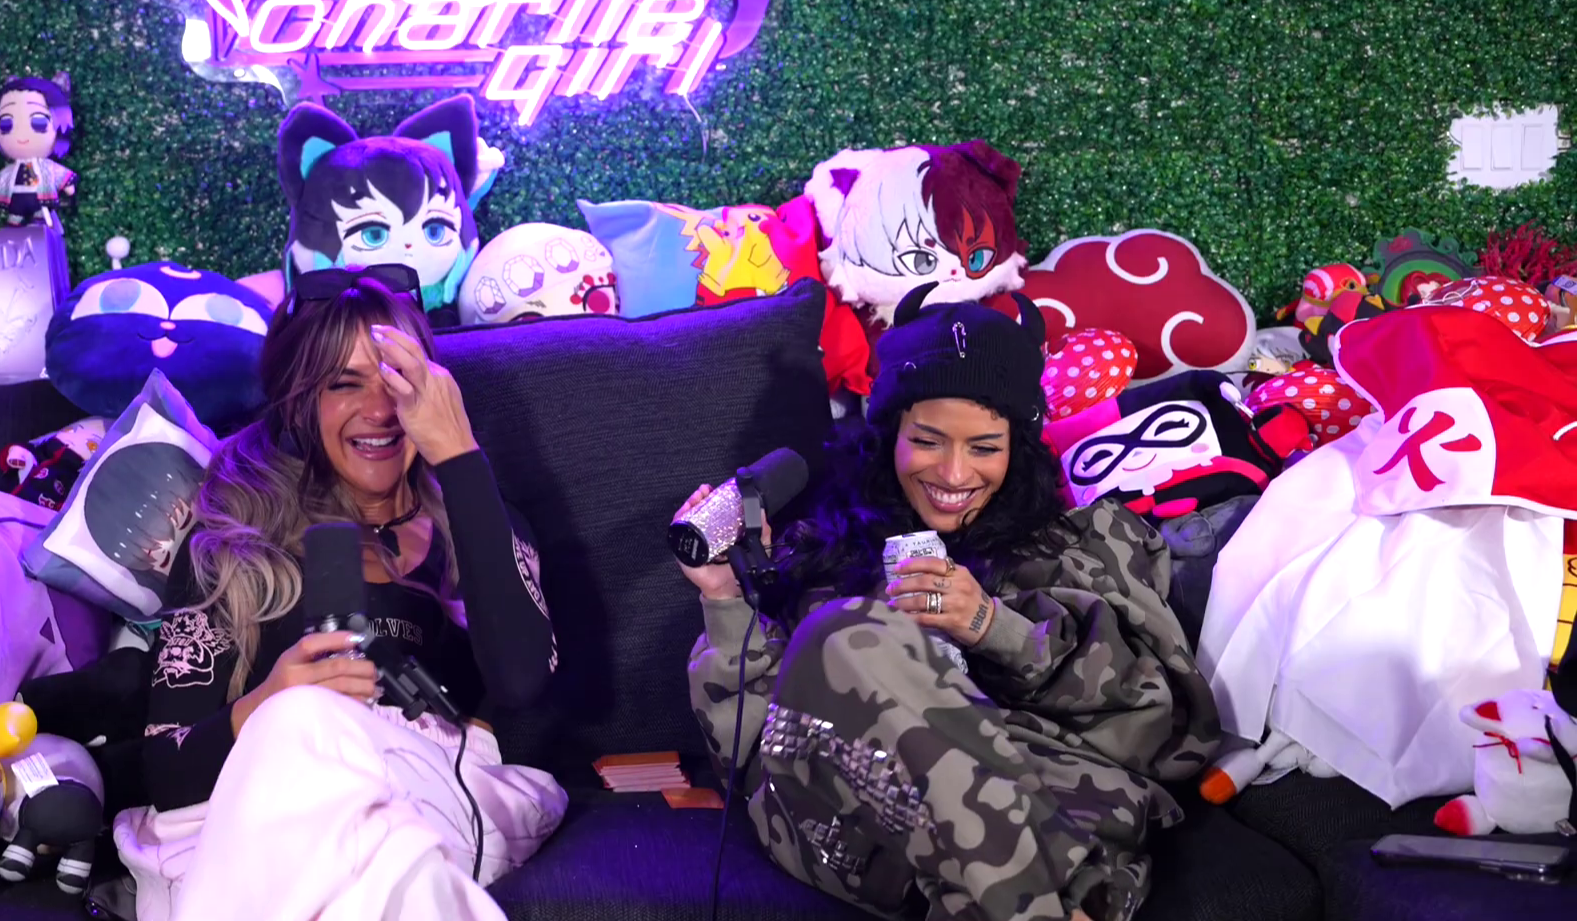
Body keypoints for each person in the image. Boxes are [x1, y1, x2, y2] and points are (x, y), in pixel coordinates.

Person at [678, 286, 1222, 921]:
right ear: (889, 435)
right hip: (866, 827)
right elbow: (754, 757)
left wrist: (994, 627)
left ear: (1018, 448)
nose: (954, 474)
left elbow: (1158, 723)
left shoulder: (1085, 545)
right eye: (929, 441)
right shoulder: (815, 554)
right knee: (847, 636)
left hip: (1051, 802)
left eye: (984, 447)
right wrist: (725, 597)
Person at [114, 265, 564, 921]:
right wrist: (268, 702)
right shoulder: (231, 540)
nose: (379, 410)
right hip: (253, 810)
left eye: (397, 379)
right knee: (303, 722)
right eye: (344, 384)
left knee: (317, 738)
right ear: (300, 403)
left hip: (431, 790)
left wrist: (458, 455)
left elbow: (523, 681)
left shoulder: (483, 521)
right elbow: (166, 769)